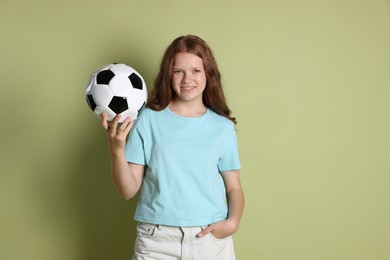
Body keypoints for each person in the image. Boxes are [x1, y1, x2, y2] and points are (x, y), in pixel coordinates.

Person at [102, 35, 244, 260]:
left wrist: (233, 222)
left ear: (209, 74)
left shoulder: (222, 128)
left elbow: (234, 188)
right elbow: (127, 190)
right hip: (157, 241)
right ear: (169, 74)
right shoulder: (147, 120)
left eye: (196, 70)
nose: (187, 79)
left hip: (209, 240)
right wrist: (116, 149)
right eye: (179, 71)